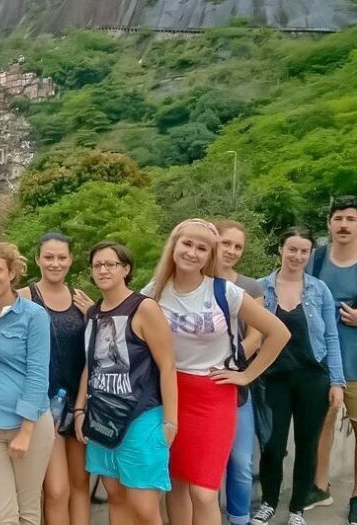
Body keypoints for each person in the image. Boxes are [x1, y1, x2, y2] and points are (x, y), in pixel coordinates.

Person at [142, 218, 290, 525]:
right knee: (176, 482)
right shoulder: (154, 291)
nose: (192, 252)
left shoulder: (225, 292)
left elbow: (278, 333)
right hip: (168, 395)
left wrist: (246, 375)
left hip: (213, 398)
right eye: (187, 244)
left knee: (204, 493)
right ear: (174, 246)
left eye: (202, 248)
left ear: (210, 255)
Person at [73, 241, 177, 524]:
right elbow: (91, 365)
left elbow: (168, 365)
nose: (103, 270)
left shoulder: (144, 308)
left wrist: (170, 423)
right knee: (115, 497)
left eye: (111, 264)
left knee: (144, 509)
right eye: (97, 265)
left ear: (126, 269)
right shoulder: (94, 313)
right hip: (103, 417)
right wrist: (80, 410)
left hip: (141, 416)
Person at [251, 227, 345, 525]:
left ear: (309, 254)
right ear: (281, 249)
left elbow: (331, 337)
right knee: (272, 444)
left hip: (312, 379)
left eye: (304, 251)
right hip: (273, 379)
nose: (297, 256)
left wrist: (337, 382)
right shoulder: (259, 288)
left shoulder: (319, 290)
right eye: (292, 249)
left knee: (307, 444)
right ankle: (268, 502)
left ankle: (297, 509)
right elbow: (249, 335)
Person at [0, 241, 54, 525]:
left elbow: (38, 373)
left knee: (27, 511)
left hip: (28, 426)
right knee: (2, 514)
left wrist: (26, 430)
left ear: (11, 273)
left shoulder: (33, 315)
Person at [18, 232, 92, 525]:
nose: (55, 263)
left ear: (71, 260)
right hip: (43, 405)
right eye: (48, 257)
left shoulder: (80, 299)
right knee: (57, 490)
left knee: (80, 485)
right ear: (38, 259)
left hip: (77, 403)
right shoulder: (24, 297)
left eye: (62, 257)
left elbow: (97, 348)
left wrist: (93, 317)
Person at [306, 196, 357, 525]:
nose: (344, 225)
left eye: (351, 219)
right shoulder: (316, 258)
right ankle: (319, 487)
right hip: (320, 362)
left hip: (356, 362)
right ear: (329, 223)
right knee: (319, 426)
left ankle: (356, 496)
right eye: (338, 218)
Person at [214, 219, 265, 525]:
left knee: (241, 462)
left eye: (238, 246)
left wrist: (227, 362)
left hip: (237, 383)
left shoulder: (250, 286)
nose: (232, 251)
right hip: (199, 384)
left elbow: (257, 336)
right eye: (226, 243)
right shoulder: (194, 280)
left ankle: (239, 519)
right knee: (205, 464)